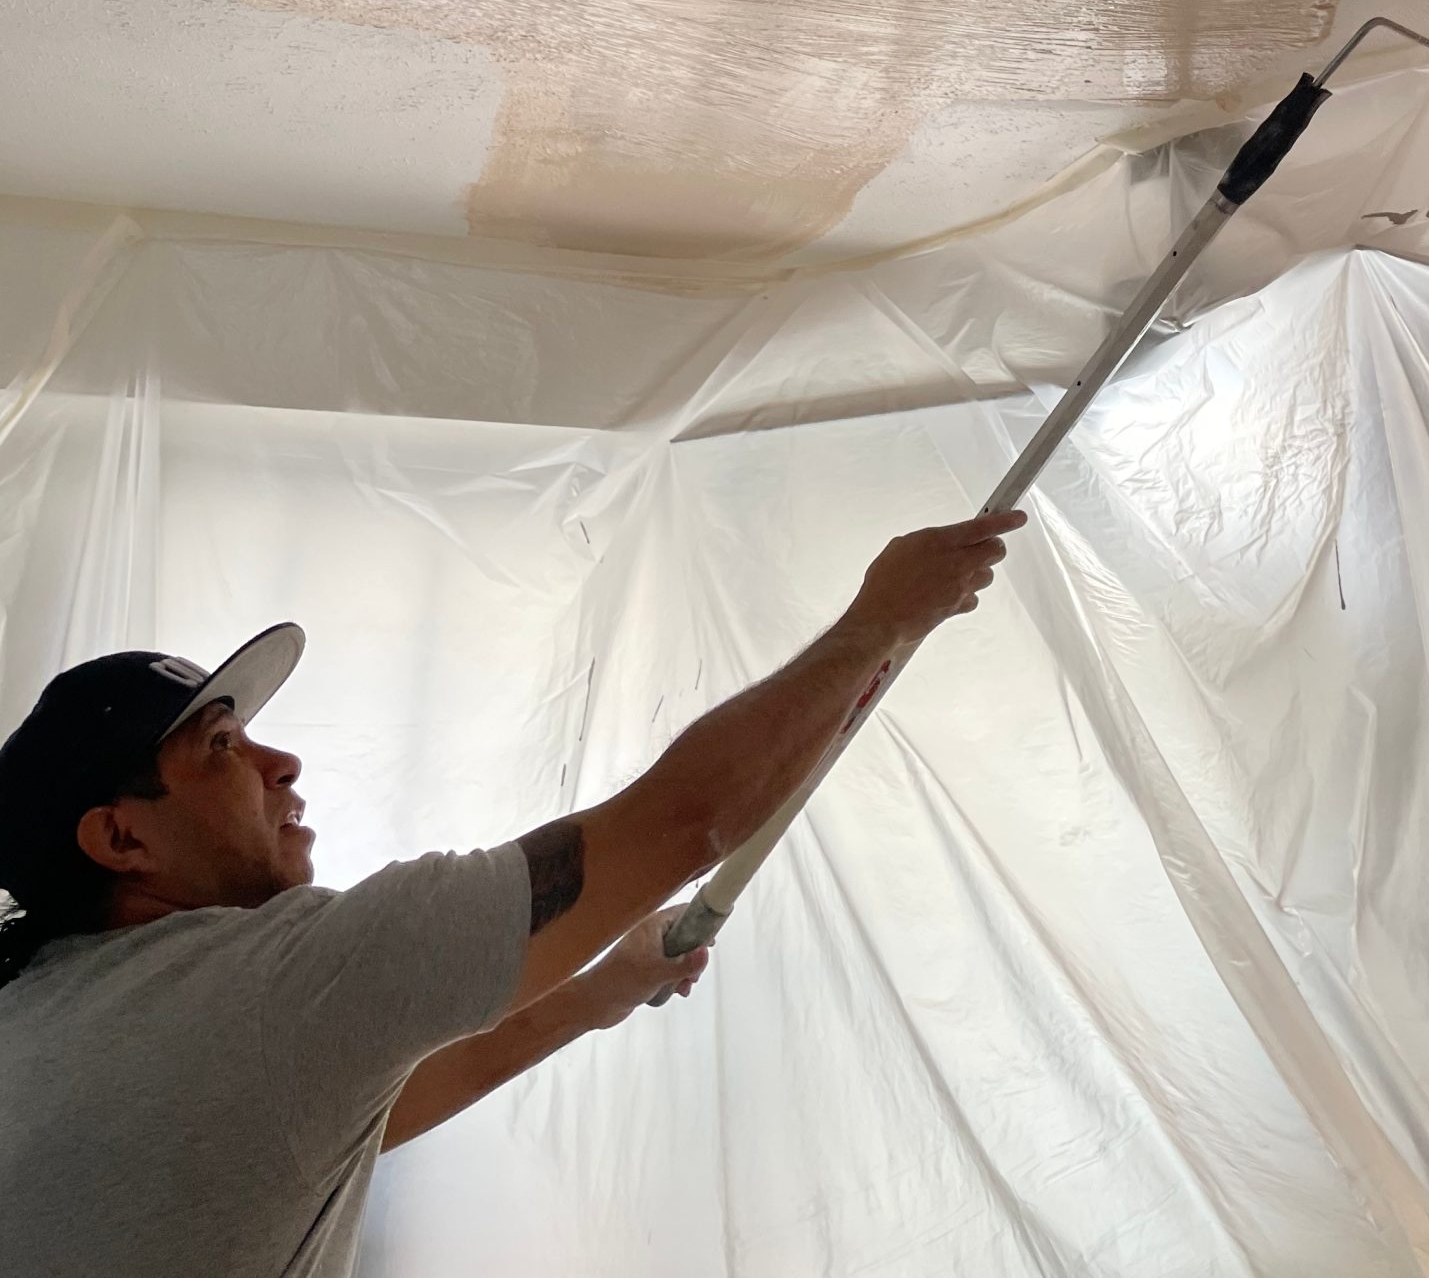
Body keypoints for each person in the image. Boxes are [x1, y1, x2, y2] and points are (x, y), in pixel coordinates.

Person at [0, 509, 1023, 1277]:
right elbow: (689, 819)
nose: (282, 761)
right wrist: (880, 621)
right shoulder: (273, 984)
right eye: (222, 746)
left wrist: (594, 992)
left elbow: (349, 1114)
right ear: (120, 837)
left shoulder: (52, 1003)